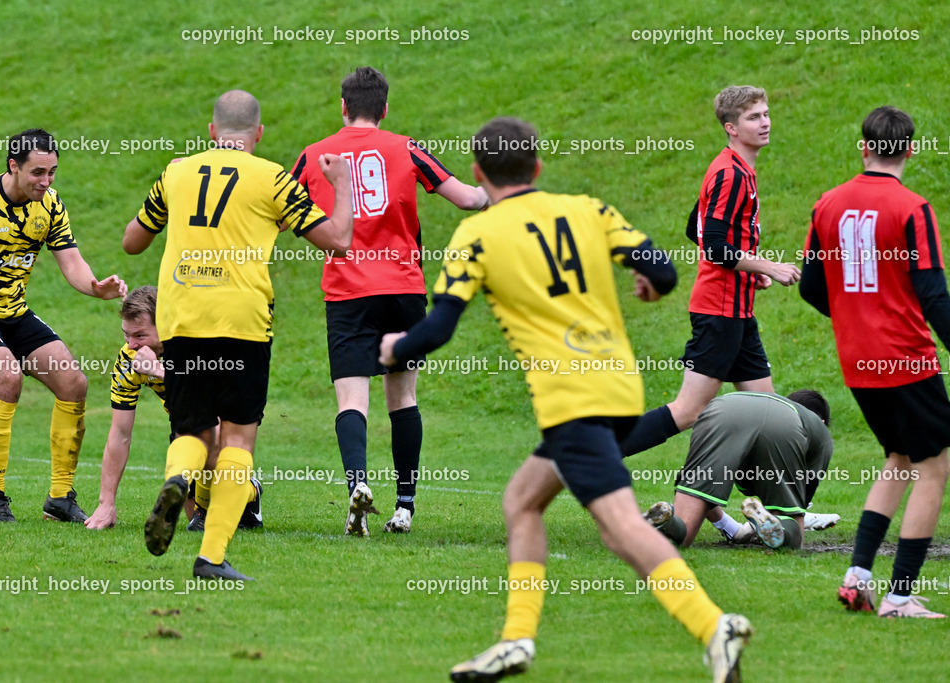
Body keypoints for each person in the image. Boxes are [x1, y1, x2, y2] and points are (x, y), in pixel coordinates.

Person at [379, 117, 751, 682]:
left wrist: (394, 349)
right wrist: (651, 285)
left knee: (619, 527)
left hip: (572, 398)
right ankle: (515, 641)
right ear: (538, 167)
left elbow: (438, 331)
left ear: (478, 174)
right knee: (522, 501)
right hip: (620, 388)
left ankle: (712, 625)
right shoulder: (587, 209)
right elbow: (665, 272)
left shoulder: (475, 236)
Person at [123, 90, 353, 581]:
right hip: (243, 323)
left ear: (211, 132)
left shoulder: (177, 172)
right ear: (259, 134)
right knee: (238, 441)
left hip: (183, 320)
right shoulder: (273, 177)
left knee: (192, 433)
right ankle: (211, 557)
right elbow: (337, 240)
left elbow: (132, 241)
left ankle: (178, 479)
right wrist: (341, 185)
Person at [291, 66, 488, 536]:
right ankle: (404, 506)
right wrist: (495, 193)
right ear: (384, 109)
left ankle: (358, 486)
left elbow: (277, 210)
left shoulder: (315, 154)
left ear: (342, 107)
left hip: (348, 291)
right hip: (403, 289)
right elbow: (466, 199)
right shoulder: (407, 148)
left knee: (351, 398)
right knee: (402, 397)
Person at [801, 106, 950, 619]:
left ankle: (857, 577)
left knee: (900, 459)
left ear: (864, 147)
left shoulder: (827, 205)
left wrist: (852, 315)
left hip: (858, 360)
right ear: (910, 149)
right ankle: (900, 595)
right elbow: (934, 296)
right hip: (905, 357)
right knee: (935, 466)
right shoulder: (913, 209)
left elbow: (812, 286)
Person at [0, 128, 126, 523]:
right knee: (8, 376)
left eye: (52, 172)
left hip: (13, 312)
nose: (46, 181)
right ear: (13, 166)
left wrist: (95, 288)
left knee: (73, 382)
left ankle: (60, 498)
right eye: (38, 172)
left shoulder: (50, 205)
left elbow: (71, 261)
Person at [620, 86, 801, 457]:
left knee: (772, 415)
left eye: (766, 113)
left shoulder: (735, 169)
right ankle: (588, 460)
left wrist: (749, 271)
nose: (765, 122)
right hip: (718, 313)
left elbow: (696, 229)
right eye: (754, 117)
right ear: (731, 128)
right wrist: (768, 266)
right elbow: (715, 247)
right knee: (689, 411)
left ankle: (789, 512)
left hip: (736, 312)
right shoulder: (731, 175)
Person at [83, 285, 262, 533]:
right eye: (127, 336)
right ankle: (239, 498)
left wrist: (157, 370)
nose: (132, 345)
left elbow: (210, 400)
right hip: (185, 419)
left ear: (166, 325)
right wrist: (106, 503)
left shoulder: (197, 343)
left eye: (140, 336)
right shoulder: (129, 359)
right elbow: (120, 433)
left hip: (230, 413)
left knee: (212, 437)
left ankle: (245, 489)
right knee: (200, 514)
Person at [643, 390, 833, 550]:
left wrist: (728, 526)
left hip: (722, 408)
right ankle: (779, 529)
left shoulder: (765, 403)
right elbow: (800, 506)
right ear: (822, 421)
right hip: (784, 426)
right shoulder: (819, 433)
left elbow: (705, 494)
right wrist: (786, 514)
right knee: (793, 534)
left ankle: (668, 522)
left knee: (685, 531)